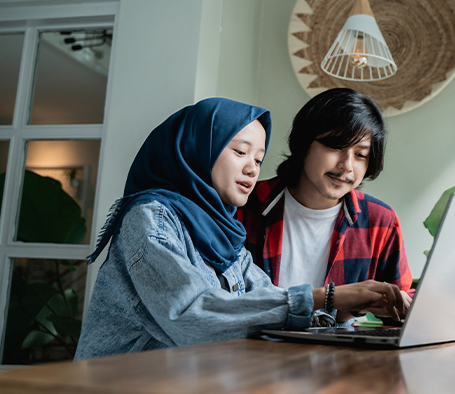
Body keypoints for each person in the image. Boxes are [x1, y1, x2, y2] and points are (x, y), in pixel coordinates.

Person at [75, 98, 406, 359]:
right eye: (240, 151)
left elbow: (261, 295)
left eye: (259, 159)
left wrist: (340, 306)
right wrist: (328, 297)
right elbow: (195, 315)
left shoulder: (220, 230)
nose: (252, 168)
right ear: (199, 147)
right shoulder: (150, 218)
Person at [237, 88, 413, 325]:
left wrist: (392, 307)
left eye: (360, 154)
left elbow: (403, 305)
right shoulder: (245, 204)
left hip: (337, 357)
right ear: (304, 143)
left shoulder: (380, 221)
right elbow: (225, 304)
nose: (347, 165)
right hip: (253, 351)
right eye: (336, 147)